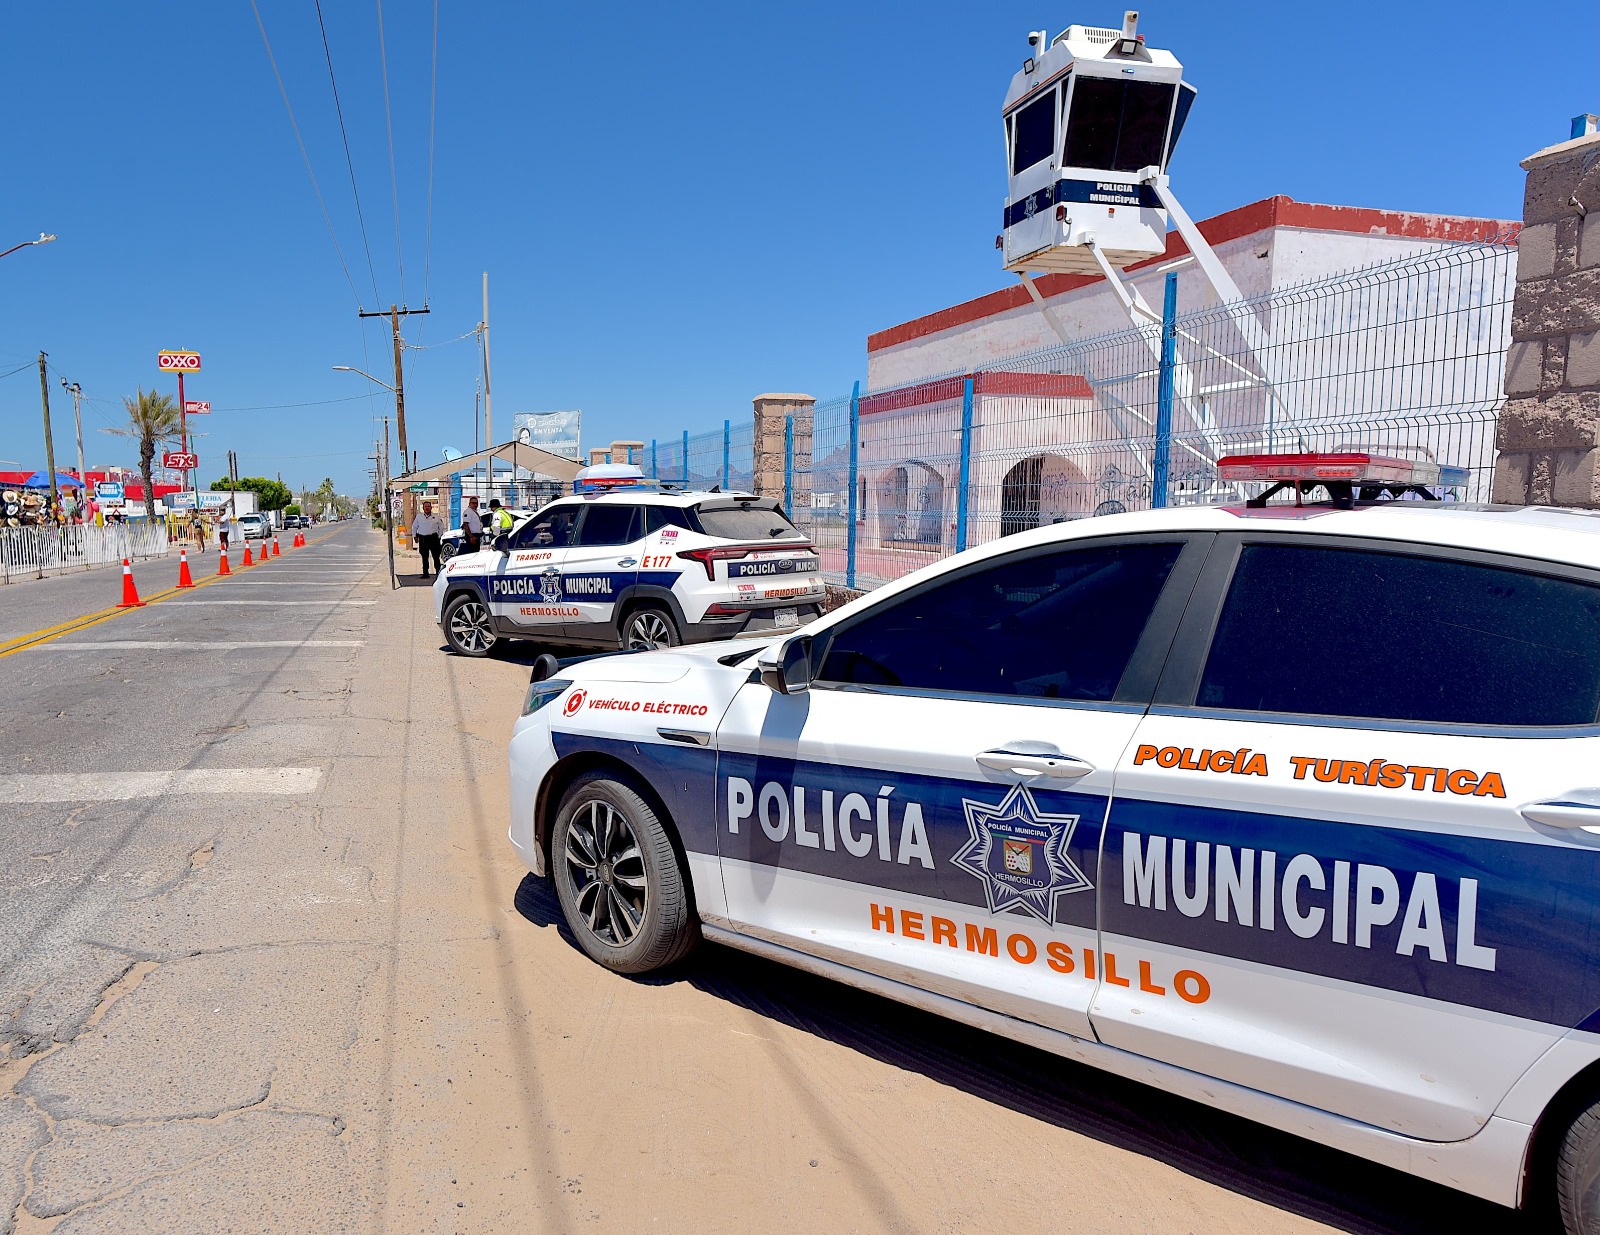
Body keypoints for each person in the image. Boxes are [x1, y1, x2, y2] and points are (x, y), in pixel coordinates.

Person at [412, 501, 444, 578]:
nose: (427, 508)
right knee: (424, 556)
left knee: (436, 556)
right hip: (423, 538)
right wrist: (415, 536)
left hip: (433, 538)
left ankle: (438, 572)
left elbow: (441, 527)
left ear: (431, 507)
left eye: (428, 506)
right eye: (425, 506)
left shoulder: (436, 516)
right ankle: (425, 573)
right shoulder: (419, 516)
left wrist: (439, 536)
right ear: (423, 508)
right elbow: (415, 526)